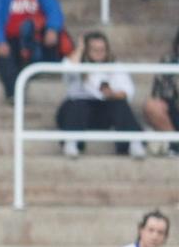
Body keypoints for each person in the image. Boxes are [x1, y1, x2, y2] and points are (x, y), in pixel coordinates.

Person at [57, 31, 147, 160]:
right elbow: (67, 68)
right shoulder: (78, 64)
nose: (98, 52)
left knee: (119, 104)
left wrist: (112, 94)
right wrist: (80, 49)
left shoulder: (116, 66)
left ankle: (133, 143)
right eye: (94, 49)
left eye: (102, 49)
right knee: (77, 102)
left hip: (104, 113)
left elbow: (127, 92)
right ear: (87, 50)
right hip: (77, 112)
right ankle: (71, 142)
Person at [143, 28, 179, 157]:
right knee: (151, 105)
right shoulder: (168, 61)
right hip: (174, 108)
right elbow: (158, 93)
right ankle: (175, 144)